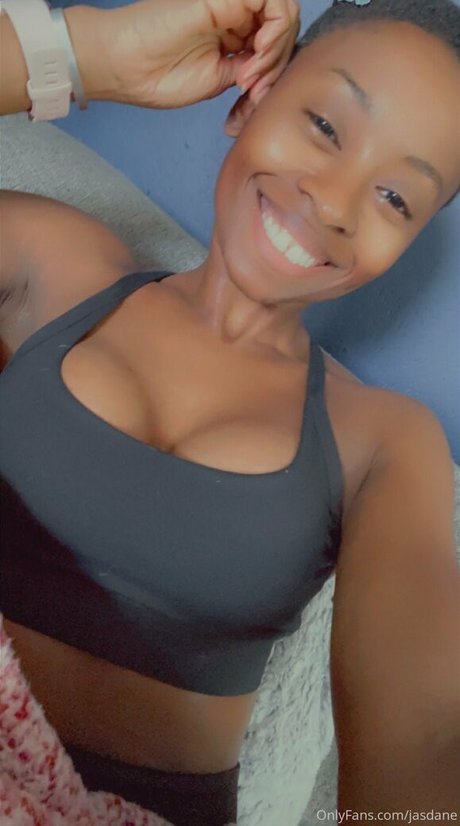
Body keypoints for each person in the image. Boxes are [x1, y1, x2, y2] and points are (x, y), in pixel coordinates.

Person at [1, 0, 460, 823]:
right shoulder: (57, 264)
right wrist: (88, 55)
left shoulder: (385, 441)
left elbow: (423, 741)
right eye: (325, 125)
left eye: (396, 197)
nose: (335, 202)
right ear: (255, 97)